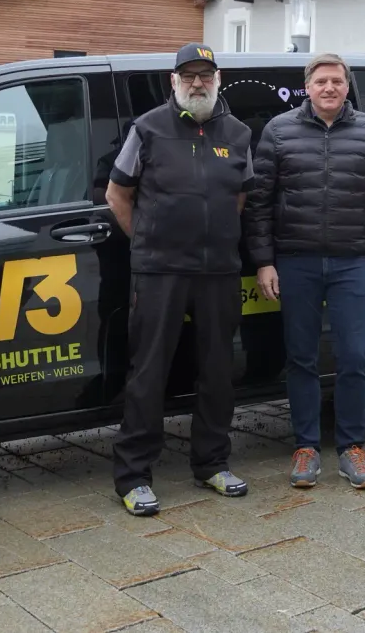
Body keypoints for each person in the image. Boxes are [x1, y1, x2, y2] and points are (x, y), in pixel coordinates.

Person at [246, 52, 365, 490]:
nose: (330, 88)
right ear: (308, 87)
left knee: (354, 356)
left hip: (353, 262)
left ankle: (352, 447)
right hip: (296, 262)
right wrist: (263, 261)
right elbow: (259, 203)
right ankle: (306, 447)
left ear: (347, 85)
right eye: (321, 82)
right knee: (300, 357)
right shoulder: (279, 132)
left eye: (337, 81)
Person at [108, 43, 253, 515]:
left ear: (218, 78)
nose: (197, 83)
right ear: (173, 81)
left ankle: (211, 463)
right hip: (161, 271)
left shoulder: (238, 133)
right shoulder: (147, 128)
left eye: (205, 75)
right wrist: (148, 243)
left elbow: (239, 200)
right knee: (149, 372)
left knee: (217, 371)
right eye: (188, 75)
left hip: (218, 271)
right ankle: (133, 476)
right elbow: (117, 194)